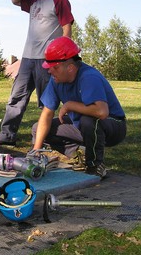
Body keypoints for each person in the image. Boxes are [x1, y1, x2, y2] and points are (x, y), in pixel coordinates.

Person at [0, 0, 74, 146]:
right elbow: (14, 1)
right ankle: (7, 135)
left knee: (46, 102)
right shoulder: (33, 2)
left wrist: (62, 55)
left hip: (47, 61)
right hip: (27, 59)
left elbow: (67, 27)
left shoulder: (59, 1)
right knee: (16, 98)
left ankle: (42, 137)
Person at [31, 37, 126, 179]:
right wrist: (35, 151)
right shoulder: (56, 79)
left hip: (113, 126)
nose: (50, 71)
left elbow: (102, 112)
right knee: (38, 128)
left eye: (55, 67)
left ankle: (95, 166)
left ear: (70, 67)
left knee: (88, 121)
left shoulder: (89, 77)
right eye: (49, 67)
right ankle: (79, 153)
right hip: (81, 125)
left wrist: (70, 105)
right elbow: (47, 114)